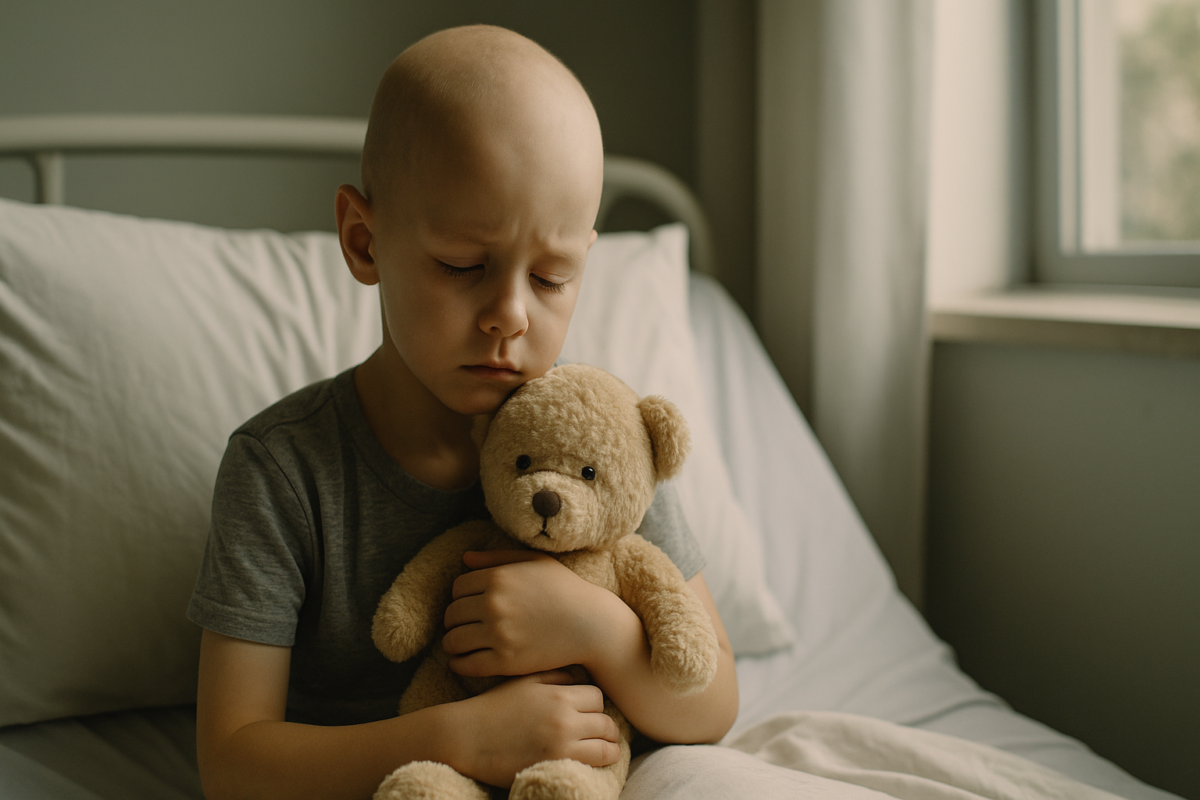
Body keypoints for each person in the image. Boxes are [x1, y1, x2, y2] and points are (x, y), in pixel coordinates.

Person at [187, 24, 738, 800]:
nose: (509, 314)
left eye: (551, 277)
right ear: (363, 240)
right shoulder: (283, 470)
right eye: (462, 266)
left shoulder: (599, 445)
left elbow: (714, 702)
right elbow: (233, 765)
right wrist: (461, 739)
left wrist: (596, 629)